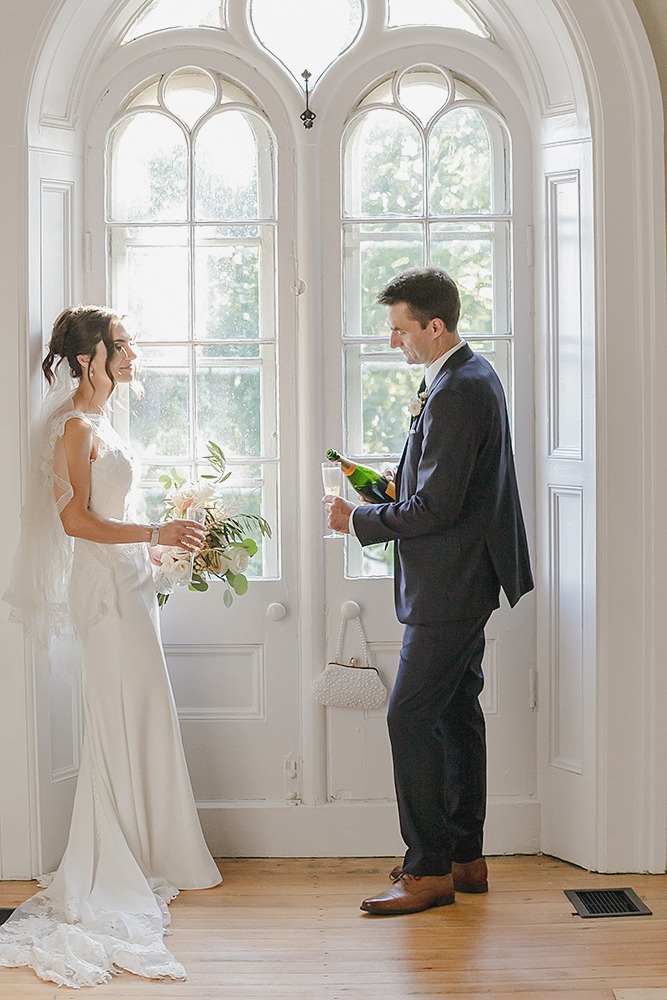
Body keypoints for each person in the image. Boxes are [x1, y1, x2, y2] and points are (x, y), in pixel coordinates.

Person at [0, 305, 222, 987]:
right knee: (123, 713)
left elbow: (113, 514)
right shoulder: (73, 426)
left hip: (129, 585)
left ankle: (157, 846)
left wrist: (160, 547)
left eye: (129, 344)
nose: (132, 356)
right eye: (120, 346)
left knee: (146, 710)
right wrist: (152, 534)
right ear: (88, 357)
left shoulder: (104, 422)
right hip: (104, 594)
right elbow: (74, 521)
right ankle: (124, 853)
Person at [324, 268, 533, 915]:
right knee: (452, 713)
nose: (394, 342)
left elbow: (438, 509)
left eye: (399, 329)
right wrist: (391, 485)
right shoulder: (461, 376)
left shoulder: (459, 388)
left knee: (408, 715)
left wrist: (354, 519)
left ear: (433, 326)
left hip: (451, 582)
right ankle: (464, 859)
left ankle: (426, 871)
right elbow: (444, 485)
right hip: (462, 577)